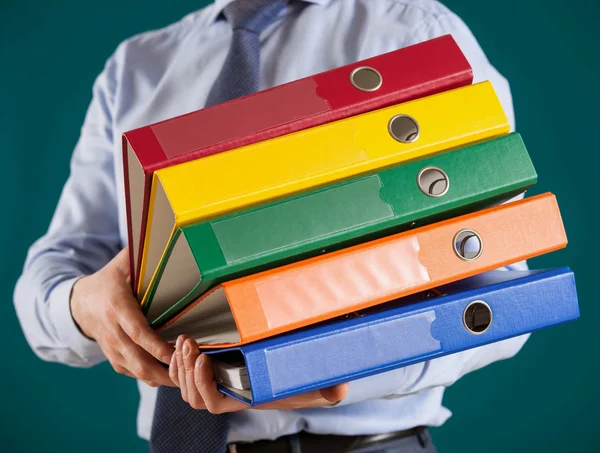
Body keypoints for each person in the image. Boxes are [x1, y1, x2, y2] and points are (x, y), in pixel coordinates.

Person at [13, 0, 529, 452]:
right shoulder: (136, 65)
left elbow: (501, 291)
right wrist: (84, 305)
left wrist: (346, 364)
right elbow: (57, 268)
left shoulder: (414, 31)